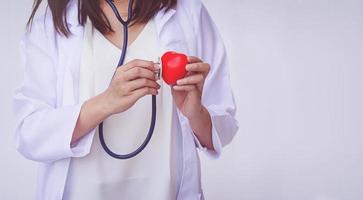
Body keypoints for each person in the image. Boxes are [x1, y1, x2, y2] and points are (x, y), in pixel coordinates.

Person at [13, 0, 238, 199]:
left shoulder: (188, 11)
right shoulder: (53, 20)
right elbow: (30, 133)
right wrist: (106, 103)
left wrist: (194, 112)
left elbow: (224, 128)